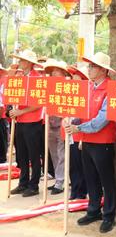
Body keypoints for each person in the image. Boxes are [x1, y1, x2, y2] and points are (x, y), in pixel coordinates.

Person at [64, 52, 116, 233]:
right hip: (86, 141)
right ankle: (93, 210)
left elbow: (103, 119)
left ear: (103, 70)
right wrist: (72, 121)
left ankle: (109, 215)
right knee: (91, 178)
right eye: (89, 66)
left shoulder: (111, 89)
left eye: (93, 67)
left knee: (106, 180)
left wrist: (80, 128)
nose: (89, 69)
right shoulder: (88, 87)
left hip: (102, 141)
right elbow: (81, 111)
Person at [8, 50, 44, 197]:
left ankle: (34, 185)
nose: (19, 63)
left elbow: (39, 103)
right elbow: (10, 93)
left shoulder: (38, 78)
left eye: (22, 61)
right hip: (20, 121)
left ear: (29, 63)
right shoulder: (20, 77)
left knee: (33, 155)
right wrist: (13, 111)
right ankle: (23, 183)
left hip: (32, 121)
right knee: (21, 154)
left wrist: (20, 112)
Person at [44, 59, 71, 195]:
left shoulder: (69, 86)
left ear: (63, 72)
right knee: (54, 153)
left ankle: (61, 182)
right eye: (52, 71)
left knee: (61, 154)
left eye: (56, 70)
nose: (53, 73)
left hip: (62, 124)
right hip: (50, 123)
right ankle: (57, 178)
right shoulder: (49, 86)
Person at [66, 64, 89, 200]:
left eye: (77, 80)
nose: (74, 82)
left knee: (83, 167)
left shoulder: (87, 96)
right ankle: (74, 191)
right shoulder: (71, 96)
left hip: (83, 136)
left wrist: (81, 139)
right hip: (71, 135)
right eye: (73, 79)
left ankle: (81, 192)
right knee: (73, 165)